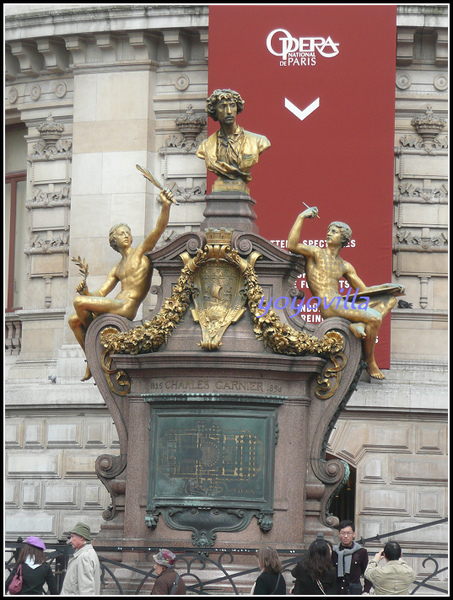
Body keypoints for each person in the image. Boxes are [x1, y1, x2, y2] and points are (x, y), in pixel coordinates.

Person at [68, 189, 174, 380]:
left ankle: (94, 345)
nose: (126, 235)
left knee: (79, 303)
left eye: (128, 233)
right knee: (73, 320)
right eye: (121, 233)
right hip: (115, 305)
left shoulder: (141, 252)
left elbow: (158, 229)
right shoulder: (117, 268)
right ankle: (91, 361)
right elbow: (100, 293)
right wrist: (86, 291)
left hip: (126, 307)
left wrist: (166, 206)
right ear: (113, 241)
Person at [287, 207, 405, 379]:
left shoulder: (345, 266)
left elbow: (364, 292)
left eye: (333, 232)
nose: (328, 233)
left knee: (389, 300)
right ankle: (370, 361)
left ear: (343, 239)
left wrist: (388, 287)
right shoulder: (315, 253)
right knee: (375, 317)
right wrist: (301, 216)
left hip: (340, 303)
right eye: (328, 230)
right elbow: (292, 245)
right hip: (329, 305)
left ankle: (360, 325)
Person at [196, 89, 271, 192]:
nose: (229, 112)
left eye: (232, 105)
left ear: (237, 108)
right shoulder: (206, 146)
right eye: (223, 106)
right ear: (215, 111)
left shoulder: (259, 141)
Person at [331, 520, 372, 595]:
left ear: (353, 534)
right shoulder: (334, 551)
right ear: (339, 534)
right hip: (337, 590)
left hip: (354, 590)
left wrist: (366, 591)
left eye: (348, 533)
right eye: (343, 533)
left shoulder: (361, 552)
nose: (346, 536)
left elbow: (367, 573)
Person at [60, 523, 100, 595]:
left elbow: (86, 589)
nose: (70, 541)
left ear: (82, 537)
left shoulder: (85, 556)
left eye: (72, 537)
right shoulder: (85, 553)